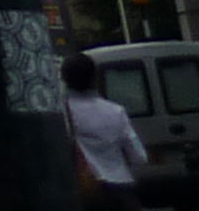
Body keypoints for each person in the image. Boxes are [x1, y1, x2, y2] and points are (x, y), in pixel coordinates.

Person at [62, 55, 150, 191]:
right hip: (120, 186)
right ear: (94, 78)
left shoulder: (63, 114)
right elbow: (139, 156)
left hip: (84, 189)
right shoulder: (116, 111)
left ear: (64, 80)